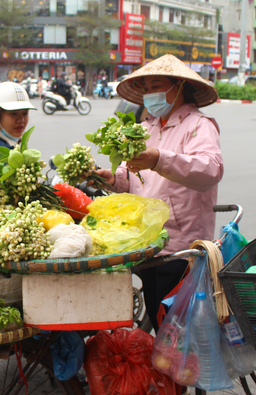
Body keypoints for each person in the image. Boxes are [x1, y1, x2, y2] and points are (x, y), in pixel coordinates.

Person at [94, 54, 224, 329]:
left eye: (156, 86)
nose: (150, 94)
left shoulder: (199, 125)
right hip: (146, 243)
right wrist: (110, 179)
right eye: (147, 89)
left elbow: (211, 170)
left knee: (176, 332)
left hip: (180, 248)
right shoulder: (146, 128)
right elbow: (130, 180)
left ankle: (181, 372)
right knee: (160, 321)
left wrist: (158, 159)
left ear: (178, 86)